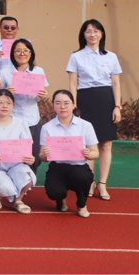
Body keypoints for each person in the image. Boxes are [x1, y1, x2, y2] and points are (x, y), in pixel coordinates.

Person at [66, 19, 122, 202]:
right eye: (88, 31)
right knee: (88, 144)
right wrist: (74, 106)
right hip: (85, 99)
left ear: (102, 34)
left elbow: (116, 84)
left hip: (106, 100)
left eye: (96, 31)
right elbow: (73, 84)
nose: (92, 34)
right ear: (83, 35)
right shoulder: (76, 56)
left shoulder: (111, 56)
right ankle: (89, 181)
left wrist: (117, 106)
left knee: (106, 144)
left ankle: (102, 184)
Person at [40, 90, 100, 218]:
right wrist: (45, 154)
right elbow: (42, 157)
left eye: (66, 103)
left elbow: (95, 153)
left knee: (82, 176)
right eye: (58, 103)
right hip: (58, 167)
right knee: (53, 192)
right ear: (53, 106)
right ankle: (60, 198)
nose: (62, 106)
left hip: (79, 166)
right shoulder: (47, 127)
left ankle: (82, 204)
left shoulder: (86, 125)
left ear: (73, 105)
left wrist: (89, 153)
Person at [1, 39, 49, 172]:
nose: (22, 54)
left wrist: (44, 96)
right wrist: (6, 93)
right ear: (12, 53)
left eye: (25, 50)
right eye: (18, 51)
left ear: (31, 53)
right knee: (13, 153)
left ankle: (30, 178)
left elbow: (44, 96)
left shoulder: (38, 71)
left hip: (32, 118)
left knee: (34, 154)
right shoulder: (5, 72)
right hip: (12, 119)